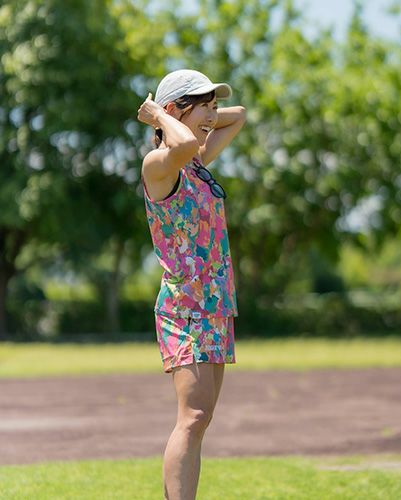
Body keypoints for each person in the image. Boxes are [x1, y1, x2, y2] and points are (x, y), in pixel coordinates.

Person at [137, 69, 246, 500]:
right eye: (204, 105)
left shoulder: (195, 164)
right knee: (193, 416)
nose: (214, 115)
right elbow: (181, 144)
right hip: (185, 306)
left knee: (201, 419)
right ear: (174, 109)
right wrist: (160, 117)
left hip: (215, 304)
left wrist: (202, 116)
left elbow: (239, 115)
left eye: (213, 106)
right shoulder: (160, 165)